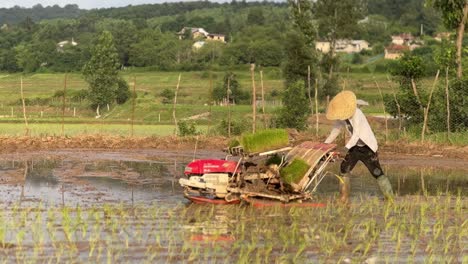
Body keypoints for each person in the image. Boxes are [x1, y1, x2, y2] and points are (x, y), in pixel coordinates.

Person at [324, 91, 394, 201]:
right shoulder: (341, 117)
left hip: (367, 147)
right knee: (344, 169)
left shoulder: (357, 114)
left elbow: (356, 134)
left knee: (377, 172)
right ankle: (343, 197)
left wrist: (345, 148)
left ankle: (390, 198)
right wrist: (325, 145)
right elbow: (335, 131)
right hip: (355, 147)